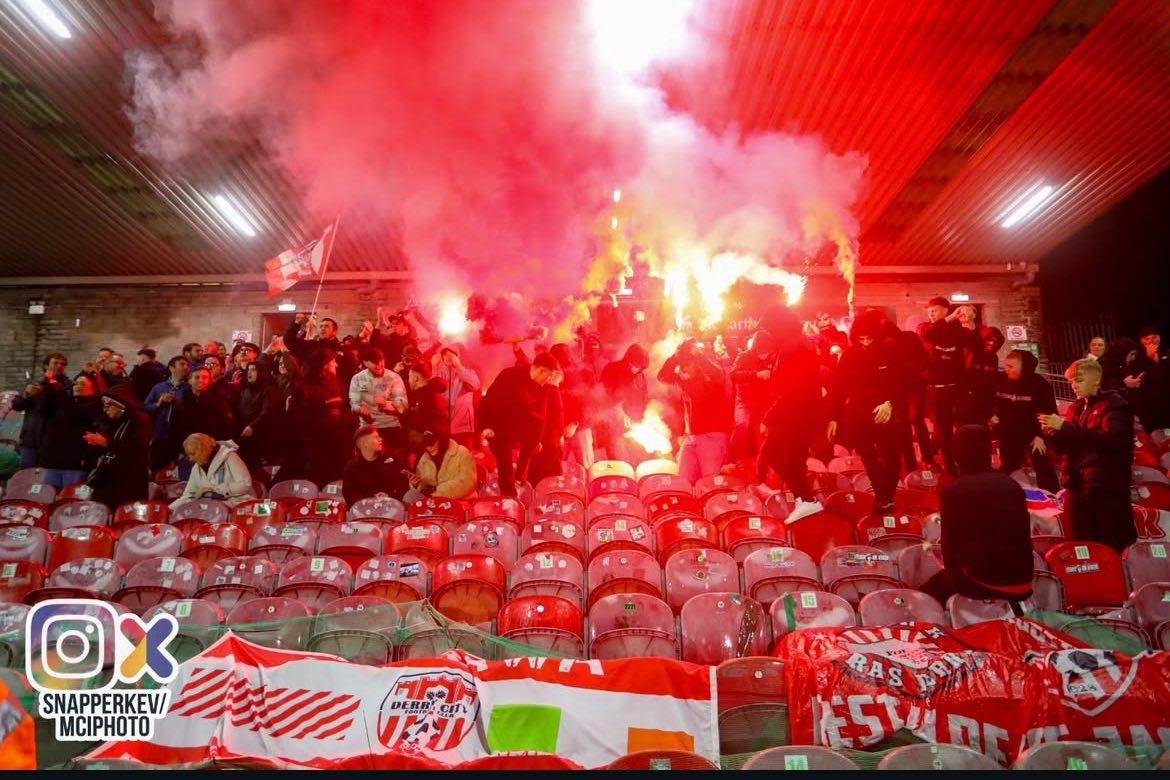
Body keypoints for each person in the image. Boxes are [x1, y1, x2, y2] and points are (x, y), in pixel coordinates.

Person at [921, 425, 1033, 607]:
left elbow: (950, 548)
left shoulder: (954, 491)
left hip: (982, 582)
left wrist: (954, 577)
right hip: (1023, 582)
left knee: (925, 595)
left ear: (957, 456)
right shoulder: (1012, 485)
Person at [1040, 359, 1137, 552]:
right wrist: (1054, 434)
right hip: (1077, 488)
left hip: (1106, 491)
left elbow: (1112, 440)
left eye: (1079, 380)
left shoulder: (1115, 405)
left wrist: (1065, 428)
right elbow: (1065, 449)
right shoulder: (1076, 408)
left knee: (1109, 547)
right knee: (1080, 547)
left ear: (1096, 379)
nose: (1074, 385)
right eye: (1071, 382)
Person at [826, 311, 902, 513]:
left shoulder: (889, 351)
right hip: (858, 413)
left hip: (886, 411)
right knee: (871, 458)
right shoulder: (850, 355)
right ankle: (883, 498)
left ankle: (886, 496)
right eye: (862, 339)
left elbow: (901, 383)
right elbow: (838, 388)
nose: (866, 343)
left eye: (870, 338)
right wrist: (833, 417)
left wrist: (890, 403)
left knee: (892, 459)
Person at [758, 322, 822, 501]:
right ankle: (804, 499)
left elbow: (791, 389)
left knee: (772, 452)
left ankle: (804, 498)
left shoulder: (790, 349)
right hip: (803, 412)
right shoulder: (802, 345)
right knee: (796, 460)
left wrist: (769, 418)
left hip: (794, 413)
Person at [480, 352, 557, 497]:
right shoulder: (509, 375)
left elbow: (539, 419)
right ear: (541, 370)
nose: (549, 379)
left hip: (523, 432)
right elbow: (488, 400)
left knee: (525, 467)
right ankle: (510, 500)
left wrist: (531, 447)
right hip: (499, 429)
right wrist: (486, 425)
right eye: (549, 375)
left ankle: (522, 489)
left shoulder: (543, 388)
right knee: (505, 467)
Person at [657, 339, 733, 483]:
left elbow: (718, 375)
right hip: (691, 438)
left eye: (686, 366)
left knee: (709, 485)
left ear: (696, 364)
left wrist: (699, 356)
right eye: (681, 366)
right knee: (684, 483)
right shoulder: (683, 380)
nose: (682, 370)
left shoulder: (710, 375)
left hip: (712, 437)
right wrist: (675, 357)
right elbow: (662, 376)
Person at [919, 297, 978, 474]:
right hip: (936, 390)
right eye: (929, 311)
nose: (931, 314)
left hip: (957, 388)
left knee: (964, 427)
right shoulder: (925, 327)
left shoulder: (957, 330)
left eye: (935, 310)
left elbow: (975, 343)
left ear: (945, 309)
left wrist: (970, 321)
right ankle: (949, 468)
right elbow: (928, 334)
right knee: (943, 432)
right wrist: (950, 317)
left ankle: (967, 463)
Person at [991, 349, 1060, 494]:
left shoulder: (1040, 385)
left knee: (1041, 461)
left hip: (1033, 433)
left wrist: (1040, 436)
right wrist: (992, 416)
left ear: (1023, 367)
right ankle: (1007, 494)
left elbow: (1049, 413)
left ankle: (1052, 494)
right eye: (1006, 366)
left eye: (1011, 367)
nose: (1006, 370)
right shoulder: (1000, 380)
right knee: (1008, 465)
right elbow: (990, 401)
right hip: (1008, 432)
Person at [84, 384, 151, 510]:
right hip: (111, 481)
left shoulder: (139, 421)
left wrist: (106, 443)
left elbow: (137, 450)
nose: (105, 410)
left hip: (128, 483)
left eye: (108, 406)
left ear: (120, 405)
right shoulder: (116, 422)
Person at [289, 351, 348, 487]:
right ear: (324, 365)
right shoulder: (305, 386)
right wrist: (323, 406)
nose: (336, 365)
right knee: (317, 479)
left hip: (337, 441)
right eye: (333, 362)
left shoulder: (336, 382)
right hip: (314, 444)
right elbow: (296, 416)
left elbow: (345, 406)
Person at [167, 366, 236, 476]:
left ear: (210, 380)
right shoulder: (181, 403)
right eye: (197, 377)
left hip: (213, 454)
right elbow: (173, 430)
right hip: (188, 454)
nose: (201, 380)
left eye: (204, 377)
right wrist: (177, 453)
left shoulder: (219, 401)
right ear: (190, 380)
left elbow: (226, 428)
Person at [36, 368, 98, 490]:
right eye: (76, 383)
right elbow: (43, 409)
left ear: (93, 389)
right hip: (54, 460)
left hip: (74, 463)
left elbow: (73, 412)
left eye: (83, 384)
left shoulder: (93, 405)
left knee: (70, 498)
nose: (78, 386)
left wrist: (57, 387)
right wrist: (49, 386)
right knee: (49, 495)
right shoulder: (64, 401)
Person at [349, 347, 409, 460]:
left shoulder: (393, 377)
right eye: (375, 362)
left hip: (391, 427)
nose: (379, 365)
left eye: (381, 361)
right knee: (368, 465)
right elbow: (353, 404)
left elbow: (403, 406)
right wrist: (360, 409)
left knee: (392, 463)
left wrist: (386, 404)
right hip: (368, 429)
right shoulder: (357, 379)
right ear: (365, 362)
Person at [596, 343, 650, 462]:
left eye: (641, 368)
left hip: (635, 427)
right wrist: (619, 411)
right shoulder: (612, 369)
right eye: (636, 365)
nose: (637, 369)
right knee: (620, 463)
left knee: (637, 463)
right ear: (628, 358)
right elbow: (601, 396)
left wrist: (646, 418)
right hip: (615, 429)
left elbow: (644, 399)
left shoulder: (640, 376)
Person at [170, 433, 254, 509]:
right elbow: (188, 496)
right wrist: (168, 509)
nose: (191, 459)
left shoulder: (230, 456)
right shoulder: (196, 468)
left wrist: (217, 491)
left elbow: (246, 484)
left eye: (193, 453)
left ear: (204, 448)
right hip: (213, 509)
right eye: (188, 455)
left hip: (239, 507)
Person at [730, 330, 778, 462]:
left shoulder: (773, 359)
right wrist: (756, 375)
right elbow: (733, 375)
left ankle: (761, 469)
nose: (765, 354)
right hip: (744, 401)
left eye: (768, 351)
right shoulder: (744, 356)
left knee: (763, 435)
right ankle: (733, 461)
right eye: (763, 351)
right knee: (743, 425)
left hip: (763, 403)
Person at [13, 354, 69, 468]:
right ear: (46, 365)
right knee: (26, 476)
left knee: (46, 480)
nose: (59, 366)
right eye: (56, 363)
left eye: (62, 364)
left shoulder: (67, 386)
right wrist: (27, 395)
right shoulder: (35, 384)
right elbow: (17, 405)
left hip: (53, 441)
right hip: (31, 439)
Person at [143, 356, 191, 471]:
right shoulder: (158, 388)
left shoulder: (189, 389)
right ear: (171, 368)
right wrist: (158, 404)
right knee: (158, 470)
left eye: (187, 365)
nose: (186, 368)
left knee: (181, 473)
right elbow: (144, 408)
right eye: (182, 364)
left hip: (182, 438)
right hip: (160, 436)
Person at [406, 430, 477, 504]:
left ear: (441, 440)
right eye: (426, 444)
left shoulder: (462, 452)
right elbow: (424, 486)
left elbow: (467, 483)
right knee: (410, 496)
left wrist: (436, 490)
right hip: (434, 503)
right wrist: (416, 484)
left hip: (460, 502)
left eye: (431, 443)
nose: (429, 448)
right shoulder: (424, 459)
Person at [343, 426, 409, 504]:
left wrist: (389, 495)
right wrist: (371, 499)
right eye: (376, 437)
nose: (381, 439)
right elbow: (349, 495)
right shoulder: (352, 467)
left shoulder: (392, 460)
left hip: (391, 506)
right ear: (364, 444)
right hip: (364, 510)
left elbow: (403, 485)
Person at [433, 346, 481, 451]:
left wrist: (458, 367)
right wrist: (434, 368)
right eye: (445, 355)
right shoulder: (439, 374)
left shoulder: (468, 372)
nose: (448, 357)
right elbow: (432, 392)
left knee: (464, 460)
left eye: (451, 355)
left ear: (457, 357)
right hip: (444, 427)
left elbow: (475, 385)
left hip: (463, 427)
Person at [235, 361, 277, 472]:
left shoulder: (268, 390)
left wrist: (253, 426)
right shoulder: (244, 390)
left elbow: (267, 411)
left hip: (260, 437)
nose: (249, 373)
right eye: (248, 370)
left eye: (253, 370)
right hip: (244, 437)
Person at [1130, 326, 1170, 431]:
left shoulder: (1167, 352)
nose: (1151, 341)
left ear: (1159, 337)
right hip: (1149, 407)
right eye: (1147, 339)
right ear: (1142, 341)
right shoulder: (1137, 356)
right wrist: (1149, 359)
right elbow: (1138, 376)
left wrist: (1157, 361)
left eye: (1154, 337)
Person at [403, 367, 449, 455]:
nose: (408, 380)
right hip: (431, 444)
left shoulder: (426, 396)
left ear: (416, 378)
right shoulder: (430, 394)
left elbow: (421, 422)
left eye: (409, 377)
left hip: (426, 446)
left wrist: (403, 412)